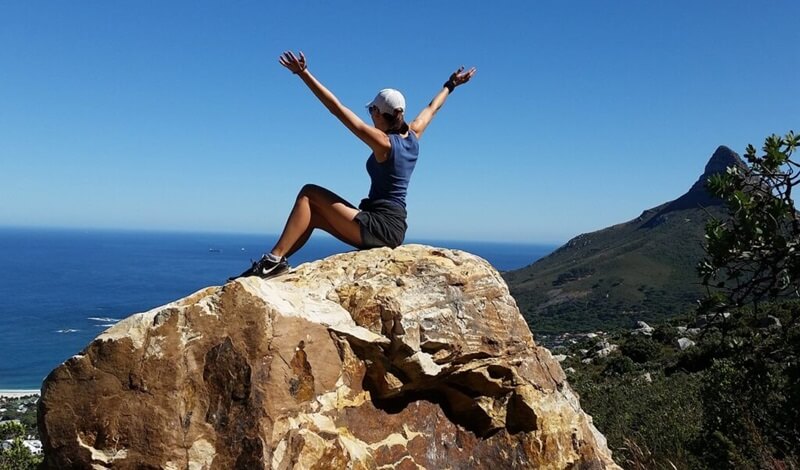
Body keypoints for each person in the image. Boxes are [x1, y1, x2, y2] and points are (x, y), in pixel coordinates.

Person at [232, 51, 476, 280]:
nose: (370, 114)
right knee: (313, 215)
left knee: (309, 193)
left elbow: (337, 109)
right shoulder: (413, 134)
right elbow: (433, 108)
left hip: (380, 226)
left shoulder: (384, 143)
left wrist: (304, 74)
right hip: (392, 225)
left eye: (372, 109)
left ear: (381, 114)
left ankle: (272, 261)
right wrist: (451, 84)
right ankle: (276, 264)